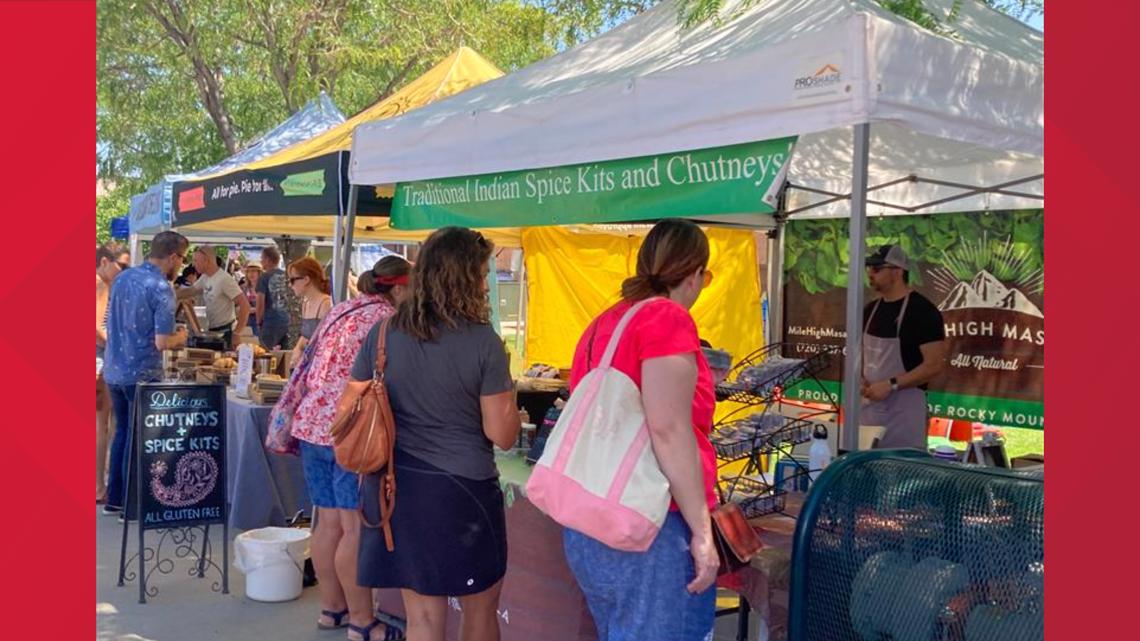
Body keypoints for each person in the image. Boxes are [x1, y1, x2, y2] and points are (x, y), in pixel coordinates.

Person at [342, 227, 518, 641]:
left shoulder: (382, 333)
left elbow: (348, 409)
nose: (486, 284)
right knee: (479, 613)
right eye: (482, 273)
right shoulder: (484, 343)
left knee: (421, 618)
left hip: (395, 490)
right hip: (463, 493)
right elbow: (503, 434)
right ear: (465, 278)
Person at [564, 218, 720, 641]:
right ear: (694, 275)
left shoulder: (604, 323)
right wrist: (703, 534)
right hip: (650, 526)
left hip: (593, 520)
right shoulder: (666, 319)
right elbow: (669, 430)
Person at [272, 256, 412, 641]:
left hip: (312, 425)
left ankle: (332, 609)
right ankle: (363, 622)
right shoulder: (387, 322)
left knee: (328, 522)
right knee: (353, 529)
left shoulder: (342, 309)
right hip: (349, 434)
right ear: (398, 288)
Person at [102, 231, 190, 515]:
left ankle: (115, 499)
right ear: (174, 257)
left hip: (115, 368)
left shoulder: (123, 278)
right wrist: (182, 336)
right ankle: (132, 505)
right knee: (137, 437)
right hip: (142, 371)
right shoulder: (161, 287)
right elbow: (162, 342)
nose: (181, 265)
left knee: (123, 433)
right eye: (182, 259)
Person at [861, 244, 948, 449]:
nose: (870, 274)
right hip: (869, 410)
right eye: (868, 268)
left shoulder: (922, 312)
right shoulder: (870, 310)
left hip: (904, 412)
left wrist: (890, 384)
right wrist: (862, 380)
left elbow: (934, 365)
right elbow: (862, 356)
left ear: (898, 271)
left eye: (877, 269)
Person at [96, 243, 130, 504]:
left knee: (106, 424)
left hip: (103, 358)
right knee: (102, 424)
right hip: (99, 359)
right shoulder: (100, 285)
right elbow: (97, 328)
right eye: (122, 266)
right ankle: (99, 486)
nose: (124, 271)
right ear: (106, 262)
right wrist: (120, 346)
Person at [177, 245, 250, 349]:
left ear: (206, 260)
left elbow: (245, 306)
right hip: (214, 331)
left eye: (196, 260)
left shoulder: (224, 279)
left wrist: (237, 333)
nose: (194, 264)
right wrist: (170, 293)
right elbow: (191, 291)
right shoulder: (205, 277)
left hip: (226, 332)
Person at [287, 256, 333, 365]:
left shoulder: (326, 304)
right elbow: (305, 336)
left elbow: (326, 342)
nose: (290, 285)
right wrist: (297, 350)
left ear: (306, 280)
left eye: (292, 280)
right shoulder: (305, 303)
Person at [256, 245, 291, 350]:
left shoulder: (264, 277)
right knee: (285, 356)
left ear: (267, 259)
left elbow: (260, 302)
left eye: (262, 258)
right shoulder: (286, 275)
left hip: (270, 322)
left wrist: (259, 321)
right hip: (286, 321)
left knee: (264, 353)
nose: (261, 261)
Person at [242, 263, 262, 336]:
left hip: (261, 321)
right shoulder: (244, 288)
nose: (251, 274)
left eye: (253, 271)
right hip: (247, 321)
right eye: (248, 271)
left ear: (259, 273)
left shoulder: (264, 287)